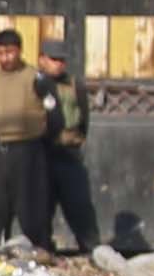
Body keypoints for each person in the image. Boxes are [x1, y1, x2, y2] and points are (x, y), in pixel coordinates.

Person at [0, 26, 53, 245]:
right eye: (0, 53)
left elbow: (53, 115)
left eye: (10, 52)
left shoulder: (36, 79)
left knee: (30, 207)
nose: (5, 58)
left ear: (19, 51)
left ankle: (38, 250)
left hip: (27, 149)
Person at [40, 42, 105, 258]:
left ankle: (91, 250)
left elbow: (83, 117)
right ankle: (43, 250)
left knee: (79, 205)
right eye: (53, 59)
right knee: (42, 207)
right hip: (42, 153)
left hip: (69, 153)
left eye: (61, 60)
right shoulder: (36, 84)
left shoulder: (74, 85)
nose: (58, 64)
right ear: (42, 59)